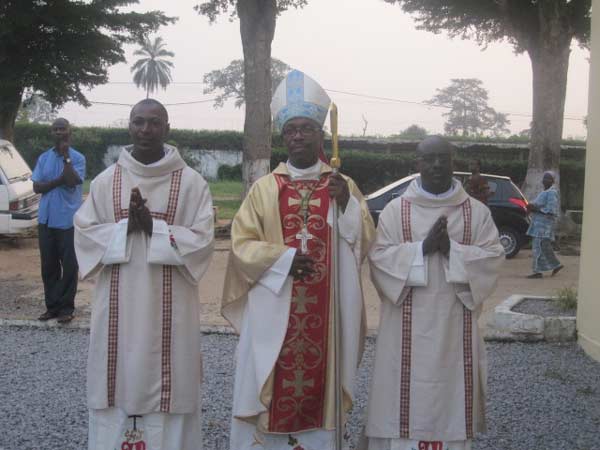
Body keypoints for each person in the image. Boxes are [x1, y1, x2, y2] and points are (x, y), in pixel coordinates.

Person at [223, 70, 376, 450]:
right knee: (271, 376)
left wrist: (345, 204)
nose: (297, 136)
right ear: (283, 137)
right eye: (290, 130)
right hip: (274, 308)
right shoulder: (264, 189)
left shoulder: (342, 185)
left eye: (306, 129)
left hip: (328, 313)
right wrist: (283, 259)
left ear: (320, 136)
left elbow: (365, 240)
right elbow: (241, 244)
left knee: (324, 379)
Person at [74, 99, 214, 450]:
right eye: (139, 122)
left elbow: (203, 241)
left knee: (174, 387)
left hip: (173, 313)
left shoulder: (192, 184)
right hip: (117, 309)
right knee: (116, 377)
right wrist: (125, 228)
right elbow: (84, 233)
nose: (146, 129)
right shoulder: (106, 182)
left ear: (167, 128)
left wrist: (155, 228)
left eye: (154, 122)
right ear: (129, 126)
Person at [363, 136, 504, 450]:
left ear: (454, 162)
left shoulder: (476, 212)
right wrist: (422, 249)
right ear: (418, 163)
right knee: (400, 399)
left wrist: (452, 250)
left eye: (444, 158)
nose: (437, 165)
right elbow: (378, 259)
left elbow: (493, 259)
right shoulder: (395, 210)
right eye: (429, 158)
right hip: (402, 327)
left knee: (450, 394)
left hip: (455, 325)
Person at [32, 118, 85, 323]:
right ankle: (52, 307)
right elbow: (37, 187)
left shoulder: (78, 158)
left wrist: (66, 157)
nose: (58, 132)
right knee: (49, 266)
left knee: (69, 266)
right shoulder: (44, 158)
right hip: (46, 219)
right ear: (51, 133)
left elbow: (72, 181)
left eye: (62, 129)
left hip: (67, 220)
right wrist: (58, 180)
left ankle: (66, 309)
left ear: (69, 132)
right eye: (55, 129)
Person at [525, 171, 563, 278]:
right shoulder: (545, 192)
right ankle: (556, 265)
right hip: (538, 224)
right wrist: (530, 207)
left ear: (552, 181)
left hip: (544, 226)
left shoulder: (552, 193)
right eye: (544, 178)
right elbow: (538, 205)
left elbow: (552, 210)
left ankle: (537, 272)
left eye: (548, 178)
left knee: (537, 248)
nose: (545, 180)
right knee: (545, 247)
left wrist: (535, 209)